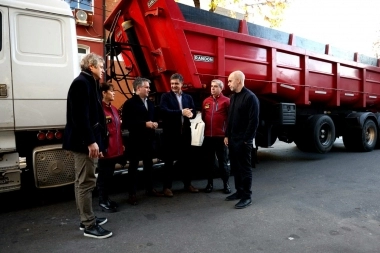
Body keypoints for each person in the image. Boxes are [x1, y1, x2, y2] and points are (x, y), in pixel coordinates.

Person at [63, 53, 112, 238]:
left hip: (85, 141)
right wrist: (91, 142)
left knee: (82, 181)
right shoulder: (81, 83)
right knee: (86, 182)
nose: (103, 70)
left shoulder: (89, 82)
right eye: (101, 66)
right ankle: (89, 225)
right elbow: (80, 117)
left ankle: (86, 218)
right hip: (84, 143)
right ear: (91, 66)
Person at [122, 77, 163, 205]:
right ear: (138, 88)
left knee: (149, 166)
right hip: (136, 141)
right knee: (133, 167)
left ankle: (149, 189)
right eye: (146, 87)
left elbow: (154, 118)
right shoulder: (129, 104)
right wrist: (145, 124)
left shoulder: (150, 103)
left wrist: (155, 123)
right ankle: (132, 194)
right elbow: (127, 123)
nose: (149, 89)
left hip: (149, 141)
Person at [224, 70, 260, 209]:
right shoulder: (233, 97)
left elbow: (254, 121)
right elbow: (230, 119)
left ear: (238, 80)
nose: (228, 84)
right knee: (235, 168)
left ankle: (247, 196)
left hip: (243, 141)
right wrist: (227, 135)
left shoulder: (250, 97)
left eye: (230, 81)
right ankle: (239, 192)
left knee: (245, 169)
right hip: (233, 139)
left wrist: (246, 140)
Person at [160, 73, 199, 197]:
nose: (174, 86)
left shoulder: (188, 97)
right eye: (172, 83)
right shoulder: (165, 97)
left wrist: (190, 114)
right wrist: (181, 112)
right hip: (171, 134)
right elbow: (164, 111)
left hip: (185, 134)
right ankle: (167, 187)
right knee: (169, 161)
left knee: (187, 160)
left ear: (182, 84)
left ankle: (188, 184)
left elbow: (193, 109)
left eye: (176, 83)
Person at [96, 82, 124, 213]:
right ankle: (102, 201)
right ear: (104, 93)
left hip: (114, 150)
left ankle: (106, 199)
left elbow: (118, 129)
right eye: (111, 91)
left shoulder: (113, 109)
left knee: (109, 176)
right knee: (103, 176)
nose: (113, 93)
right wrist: (101, 148)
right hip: (106, 150)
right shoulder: (98, 109)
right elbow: (97, 131)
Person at [202, 79, 231, 194]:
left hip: (221, 137)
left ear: (221, 88)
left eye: (215, 86)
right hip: (208, 136)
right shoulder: (206, 101)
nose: (212, 88)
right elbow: (204, 117)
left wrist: (227, 135)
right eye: (211, 86)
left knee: (223, 162)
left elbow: (230, 120)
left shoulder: (227, 101)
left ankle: (226, 184)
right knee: (209, 162)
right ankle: (209, 184)